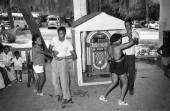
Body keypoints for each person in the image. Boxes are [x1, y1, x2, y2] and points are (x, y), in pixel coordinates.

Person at [99, 33, 134, 105]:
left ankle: (103, 96)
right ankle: (121, 100)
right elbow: (131, 42)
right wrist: (130, 36)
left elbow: (106, 59)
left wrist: (115, 57)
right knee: (125, 83)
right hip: (118, 66)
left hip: (112, 65)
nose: (121, 41)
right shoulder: (118, 47)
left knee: (114, 82)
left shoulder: (109, 47)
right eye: (120, 39)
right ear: (118, 40)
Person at [49, 26, 77, 104]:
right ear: (57, 33)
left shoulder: (68, 43)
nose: (60, 35)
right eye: (59, 33)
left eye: (62, 34)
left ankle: (67, 98)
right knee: (54, 81)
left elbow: (74, 56)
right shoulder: (54, 39)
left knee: (64, 81)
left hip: (62, 62)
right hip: (54, 61)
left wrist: (64, 57)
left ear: (65, 33)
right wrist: (53, 51)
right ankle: (59, 93)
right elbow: (49, 49)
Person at [122, 19, 140, 95]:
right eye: (126, 25)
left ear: (131, 25)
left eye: (128, 25)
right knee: (123, 72)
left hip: (131, 55)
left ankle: (131, 88)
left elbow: (136, 43)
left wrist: (130, 36)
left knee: (131, 73)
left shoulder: (135, 33)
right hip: (123, 55)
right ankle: (123, 86)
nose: (127, 27)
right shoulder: (122, 33)